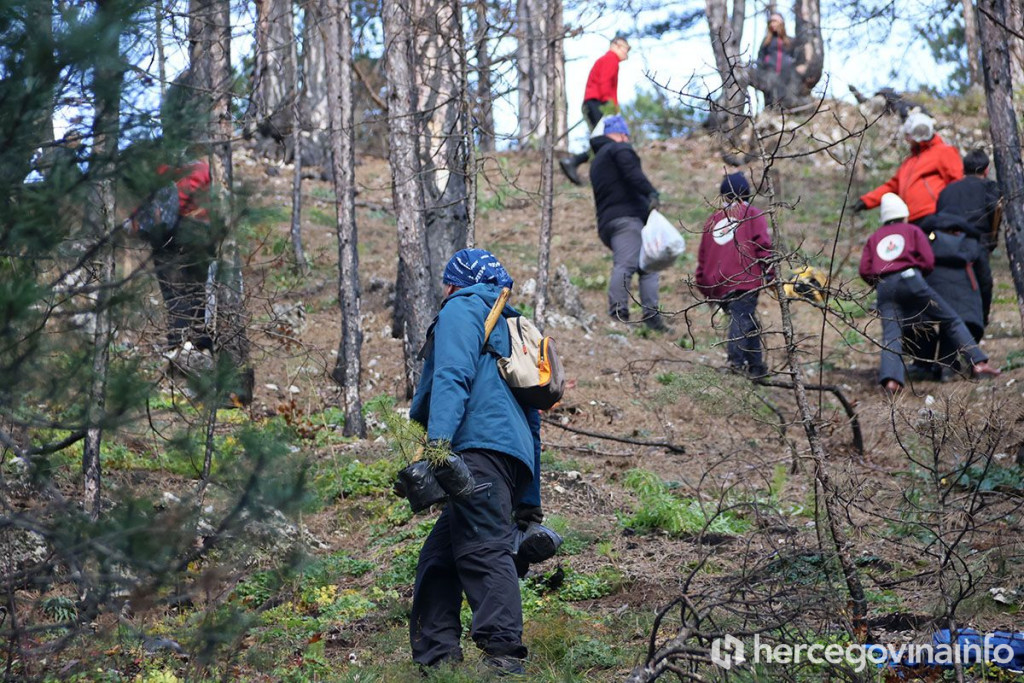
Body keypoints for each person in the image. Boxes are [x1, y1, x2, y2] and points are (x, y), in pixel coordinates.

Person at [408, 248, 543, 676]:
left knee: (484, 549)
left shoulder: (462, 308)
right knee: (438, 561)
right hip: (509, 458)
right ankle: (437, 661)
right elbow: (532, 417)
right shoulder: (511, 327)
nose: (443, 293)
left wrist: (437, 448)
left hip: (475, 452)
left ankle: (504, 657)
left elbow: (451, 374)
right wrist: (529, 498)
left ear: (454, 284)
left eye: (446, 286)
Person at [858, 193, 999, 396]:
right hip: (911, 280)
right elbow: (928, 259)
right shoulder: (913, 230)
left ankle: (891, 381)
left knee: (891, 336)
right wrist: (918, 275)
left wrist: (881, 282)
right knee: (951, 319)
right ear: (904, 215)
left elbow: (864, 269)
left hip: (885, 286)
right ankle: (978, 363)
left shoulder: (874, 238)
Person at [127, 158, 218, 352]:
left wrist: (136, 222)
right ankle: (199, 346)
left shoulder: (158, 169)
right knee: (197, 292)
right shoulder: (203, 168)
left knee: (174, 296)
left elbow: (143, 203)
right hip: (197, 236)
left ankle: (178, 346)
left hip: (164, 239)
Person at [588, 115, 668, 331]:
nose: (627, 139)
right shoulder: (619, 150)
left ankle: (652, 317)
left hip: (608, 222)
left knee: (648, 266)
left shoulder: (598, 161)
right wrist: (650, 192)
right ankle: (618, 313)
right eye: (626, 135)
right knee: (627, 264)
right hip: (627, 219)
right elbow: (633, 174)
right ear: (621, 134)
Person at [695, 173, 773, 378]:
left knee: (748, 321)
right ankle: (736, 364)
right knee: (741, 318)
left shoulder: (713, 219)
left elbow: (703, 256)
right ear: (746, 193)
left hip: (717, 282)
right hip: (743, 277)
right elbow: (763, 245)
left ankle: (757, 367)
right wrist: (771, 273)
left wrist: (704, 286)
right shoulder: (752, 214)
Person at [852, 111, 963, 224]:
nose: (907, 139)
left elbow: (956, 182)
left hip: (933, 215)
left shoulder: (943, 151)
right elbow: (893, 186)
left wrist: (951, 212)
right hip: (910, 218)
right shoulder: (909, 162)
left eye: (908, 135)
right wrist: (866, 201)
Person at [934, 148, 1001, 323]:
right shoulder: (989, 187)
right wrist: (992, 239)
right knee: (984, 282)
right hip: (974, 243)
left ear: (964, 168)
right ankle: (982, 319)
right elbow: (996, 210)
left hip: (943, 245)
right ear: (986, 170)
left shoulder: (947, 190)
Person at [559, 36, 631, 186]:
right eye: (626, 49)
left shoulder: (609, 60)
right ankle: (574, 162)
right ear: (616, 46)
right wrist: (610, 109)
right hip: (597, 103)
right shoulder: (610, 59)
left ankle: (580, 165)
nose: (627, 53)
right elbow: (604, 84)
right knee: (606, 140)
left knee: (605, 141)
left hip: (597, 103)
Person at [756, 13, 796, 107]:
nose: (772, 24)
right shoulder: (766, 41)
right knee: (770, 99)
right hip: (769, 75)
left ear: (781, 23)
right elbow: (760, 58)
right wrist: (761, 72)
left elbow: (795, 57)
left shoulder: (790, 41)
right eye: (770, 22)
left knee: (784, 98)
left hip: (786, 75)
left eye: (774, 21)